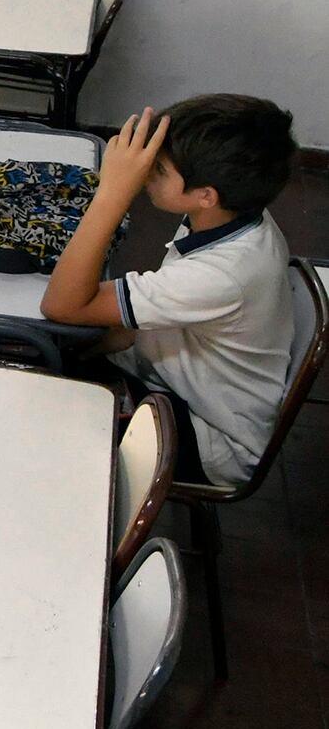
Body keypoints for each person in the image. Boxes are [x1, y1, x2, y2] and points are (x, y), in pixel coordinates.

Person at [41, 94, 299, 486]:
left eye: (157, 169)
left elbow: (60, 305)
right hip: (173, 377)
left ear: (205, 195)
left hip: (209, 435)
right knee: (53, 354)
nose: (145, 174)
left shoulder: (223, 273)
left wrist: (113, 192)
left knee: (42, 420)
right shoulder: (233, 213)